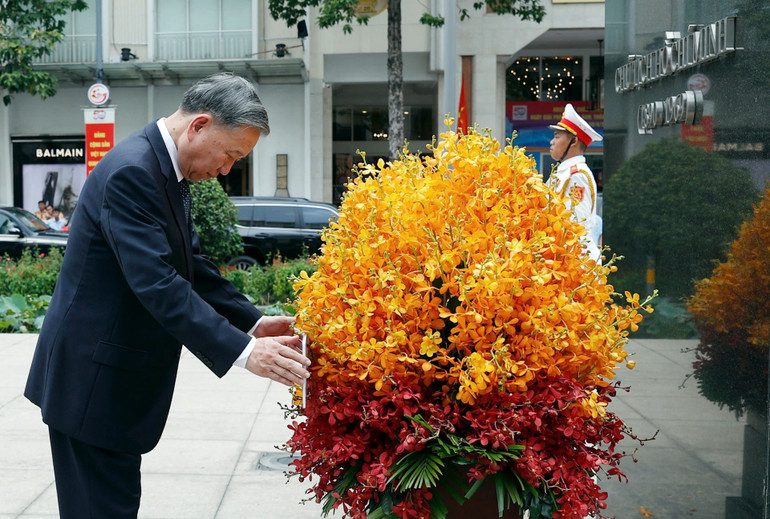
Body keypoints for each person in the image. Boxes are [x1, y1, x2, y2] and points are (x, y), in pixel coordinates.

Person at [24, 72, 311, 519]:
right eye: (230, 154)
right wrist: (245, 351)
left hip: (107, 382)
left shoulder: (164, 168)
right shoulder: (133, 172)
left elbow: (191, 265)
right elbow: (157, 283)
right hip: (91, 386)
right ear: (199, 125)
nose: (226, 170)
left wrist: (252, 323)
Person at [546, 103, 602, 263]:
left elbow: (577, 226)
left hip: (575, 264)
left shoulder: (576, 175)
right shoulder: (564, 173)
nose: (552, 142)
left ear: (574, 141)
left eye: (557, 136)